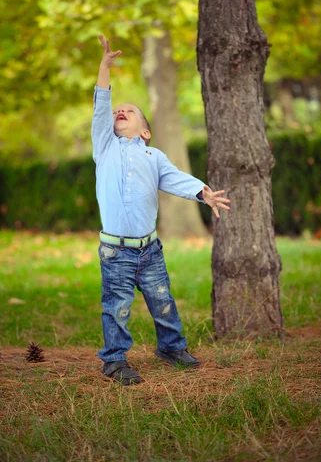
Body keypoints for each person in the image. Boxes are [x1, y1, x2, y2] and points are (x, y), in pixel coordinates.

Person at [92, 34, 231, 386]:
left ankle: (171, 347)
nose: (121, 111)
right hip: (116, 250)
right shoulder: (105, 147)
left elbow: (176, 179)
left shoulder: (154, 157)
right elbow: (101, 106)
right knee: (117, 307)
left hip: (149, 250)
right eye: (117, 111)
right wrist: (104, 69)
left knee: (162, 300)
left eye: (131, 111)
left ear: (146, 131)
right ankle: (115, 359)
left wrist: (203, 192)